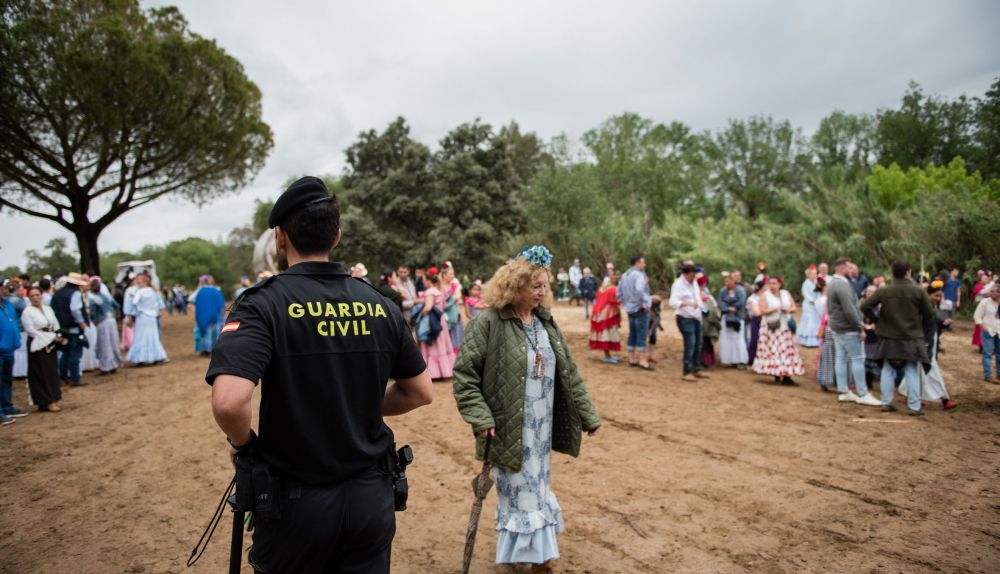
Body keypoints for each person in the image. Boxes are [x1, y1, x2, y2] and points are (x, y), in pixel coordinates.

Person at [206, 176, 433, 573]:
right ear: (337, 236)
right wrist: (357, 403)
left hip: (296, 504)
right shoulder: (378, 303)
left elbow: (229, 401)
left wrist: (244, 445)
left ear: (280, 238)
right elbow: (419, 392)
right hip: (370, 500)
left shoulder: (263, 304)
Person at [452, 245, 601, 573]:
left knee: (537, 488)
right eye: (536, 286)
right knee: (521, 493)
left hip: (541, 428)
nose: (543, 292)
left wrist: (588, 415)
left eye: (545, 285)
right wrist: (479, 416)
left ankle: (534, 555)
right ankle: (535, 558)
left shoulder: (546, 322)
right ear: (514, 286)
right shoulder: (487, 323)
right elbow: (464, 375)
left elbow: (570, 372)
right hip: (507, 427)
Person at [860, 260, 936, 415]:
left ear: (892, 272)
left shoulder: (884, 291)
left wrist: (877, 320)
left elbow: (865, 306)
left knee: (887, 369)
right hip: (911, 336)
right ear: (908, 272)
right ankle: (914, 407)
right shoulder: (918, 291)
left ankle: (886, 402)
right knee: (911, 370)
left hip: (889, 336)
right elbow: (929, 314)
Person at [826, 258, 882, 406]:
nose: (853, 272)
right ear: (843, 268)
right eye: (850, 268)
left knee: (841, 357)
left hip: (837, 327)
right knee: (858, 358)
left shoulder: (832, 282)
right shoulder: (842, 285)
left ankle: (843, 391)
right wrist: (860, 327)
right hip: (848, 328)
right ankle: (862, 393)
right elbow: (850, 309)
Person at [905, 282, 957, 409]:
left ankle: (911, 394)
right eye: (935, 296)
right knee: (931, 369)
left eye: (939, 296)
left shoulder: (932, 306)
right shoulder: (921, 307)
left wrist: (943, 322)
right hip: (923, 342)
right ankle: (944, 398)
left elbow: (934, 321)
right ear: (927, 294)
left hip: (930, 340)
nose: (937, 298)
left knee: (919, 369)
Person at [751, 277, 805, 385]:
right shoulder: (764, 295)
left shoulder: (785, 294)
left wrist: (788, 310)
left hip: (784, 326)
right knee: (774, 351)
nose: (772, 285)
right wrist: (775, 309)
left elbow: (794, 308)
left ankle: (786, 376)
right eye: (770, 283)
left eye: (774, 283)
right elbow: (762, 311)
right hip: (770, 327)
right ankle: (776, 373)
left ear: (779, 284)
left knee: (785, 351)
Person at [21, 286, 64, 412]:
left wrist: (58, 335)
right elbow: (31, 331)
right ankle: (46, 401)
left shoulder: (48, 309)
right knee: (41, 372)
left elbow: (55, 324)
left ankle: (54, 398)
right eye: (32, 296)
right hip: (38, 344)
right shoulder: (27, 312)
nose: (35, 298)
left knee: (52, 371)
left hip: (51, 343)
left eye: (37, 295)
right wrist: (50, 337)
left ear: (41, 295)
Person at [51, 272, 89, 386]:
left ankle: (62, 377)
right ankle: (75, 377)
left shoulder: (57, 294)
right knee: (75, 354)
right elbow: (75, 309)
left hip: (62, 329)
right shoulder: (75, 293)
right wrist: (81, 322)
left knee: (65, 353)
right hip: (74, 328)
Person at [419, 267, 456, 379]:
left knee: (432, 345)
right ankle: (444, 371)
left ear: (429, 281)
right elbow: (443, 306)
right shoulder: (440, 291)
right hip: (441, 321)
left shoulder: (430, 292)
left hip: (432, 322)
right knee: (441, 345)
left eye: (424, 280)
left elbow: (428, 307)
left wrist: (420, 315)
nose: (423, 282)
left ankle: (433, 373)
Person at [670, 264, 705, 380]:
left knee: (698, 344)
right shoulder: (678, 285)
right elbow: (672, 301)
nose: (692, 278)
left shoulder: (693, 283)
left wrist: (703, 308)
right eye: (691, 275)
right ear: (685, 274)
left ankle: (696, 368)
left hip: (696, 316)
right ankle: (687, 371)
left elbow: (697, 297)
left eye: (694, 276)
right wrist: (684, 304)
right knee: (690, 345)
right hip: (685, 317)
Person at [619, 255, 653, 370]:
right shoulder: (639, 275)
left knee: (632, 333)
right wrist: (644, 303)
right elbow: (639, 290)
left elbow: (618, 293)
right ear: (637, 263)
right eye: (643, 262)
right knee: (642, 334)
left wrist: (626, 303)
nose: (644, 265)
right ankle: (642, 360)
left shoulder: (624, 275)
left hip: (629, 309)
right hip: (639, 308)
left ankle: (631, 358)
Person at [126, 274, 167, 365]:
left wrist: (136, 308)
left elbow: (134, 303)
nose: (138, 284)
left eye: (139, 282)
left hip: (142, 317)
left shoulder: (140, 292)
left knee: (141, 336)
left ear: (144, 282)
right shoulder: (154, 291)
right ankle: (156, 356)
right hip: (152, 317)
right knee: (153, 336)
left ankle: (141, 358)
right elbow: (160, 304)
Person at [1, 291, 27, 424]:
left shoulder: (7, 304)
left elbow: (14, 322)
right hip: (1, 349)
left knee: (7, 380)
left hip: (9, 349)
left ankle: (7, 406)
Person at [88, 278, 122, 375]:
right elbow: (117, 306)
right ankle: (114, 364)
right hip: (112, 320)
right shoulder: (107, 297)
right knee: (113, 342)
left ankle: (105, 367)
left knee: (104, 344)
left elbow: (93, 314)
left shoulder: (93, 299)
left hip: (102, 321)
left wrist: (94, 320)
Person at [589, 273, 622, 363]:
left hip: (598, 312)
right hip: (607, 313)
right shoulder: (613, 289)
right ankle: (608, 357)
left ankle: (608, 355)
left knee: (604, 334)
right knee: (607, 334)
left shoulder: (601, 288)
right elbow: (615, 301)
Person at [717, 273, 749, 368]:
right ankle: (730, 360)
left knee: (738, 339)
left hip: (738, 318)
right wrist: (727, 308)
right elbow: (719, 302)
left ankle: (740, 360)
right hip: (726, 318)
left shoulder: (740, 291)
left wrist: (733, 306)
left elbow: (742, 301)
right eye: (725, 281)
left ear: (733, 281)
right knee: (727, 339)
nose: (726, 283)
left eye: (728, 281)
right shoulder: (723, 291)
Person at [191, 275, 226, 357]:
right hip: (216, 317)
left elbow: (192, 300)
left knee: (205, 333)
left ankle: (206, 350)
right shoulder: (217, 291)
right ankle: (215, 349)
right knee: (216, 334)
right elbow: (221, 306)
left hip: (204, 316)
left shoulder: (200, 292)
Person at [974, 284, 1000, 384]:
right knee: (987, 353)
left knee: (999, 354)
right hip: (988, 331)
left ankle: (999, 374)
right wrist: (982, 327)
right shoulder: (985, 302)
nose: (992, 293)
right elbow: (977, 315)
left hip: (999, 331)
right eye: (991, 291)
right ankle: (988, 375)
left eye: (995, 291)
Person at [5, 279, 28, 381]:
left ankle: (15, 371)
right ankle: (21, 371)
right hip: (20, 328)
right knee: (21, 350)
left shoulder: (6, 300)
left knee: (16, 351)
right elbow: (26, 311)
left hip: (12, 328)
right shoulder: (18, 301)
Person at [796, 266, 822, 347]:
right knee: (809, 320)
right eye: (813, 274)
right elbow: (806, 294)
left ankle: (816, 339)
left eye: (815, 274)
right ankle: (806, 340)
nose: (814, 275)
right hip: (809, 304)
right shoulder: (805, 283)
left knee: (815, 320)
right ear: (808, 274)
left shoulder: (816, 283)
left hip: (816, 304)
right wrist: (812, 301)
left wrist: (818, 301)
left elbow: (819, 293)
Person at [441, 263, 465, 350]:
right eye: (450, 274)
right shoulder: (440, 286)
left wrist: (450, 298)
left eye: (453, 274)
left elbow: (458, 296)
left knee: (456, 335)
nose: (453, 276)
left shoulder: (454, 285)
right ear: (444, 275)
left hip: (454, 315)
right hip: (444, 316)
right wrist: (452, 298)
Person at [971, 271, 994, 351]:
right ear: (980, 280)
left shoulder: (988, 287)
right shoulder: (978, 286)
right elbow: (983, 292)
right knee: (980, 327)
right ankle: (981, 345)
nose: (986, 279)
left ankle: (988, 345)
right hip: (981, 309)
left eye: (987, 278)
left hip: (988, 310)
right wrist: (992, 283)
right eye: (984, 278)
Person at [648, 295, 664, 364]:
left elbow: (656, 319)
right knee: (650, 339)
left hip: (652, 325)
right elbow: (654, 320)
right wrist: (650, 330)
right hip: (648, 325)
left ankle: (651, 355)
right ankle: (649, 356)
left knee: (652, 340)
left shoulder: (656, 309)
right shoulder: (650, 310)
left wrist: (659, 326)